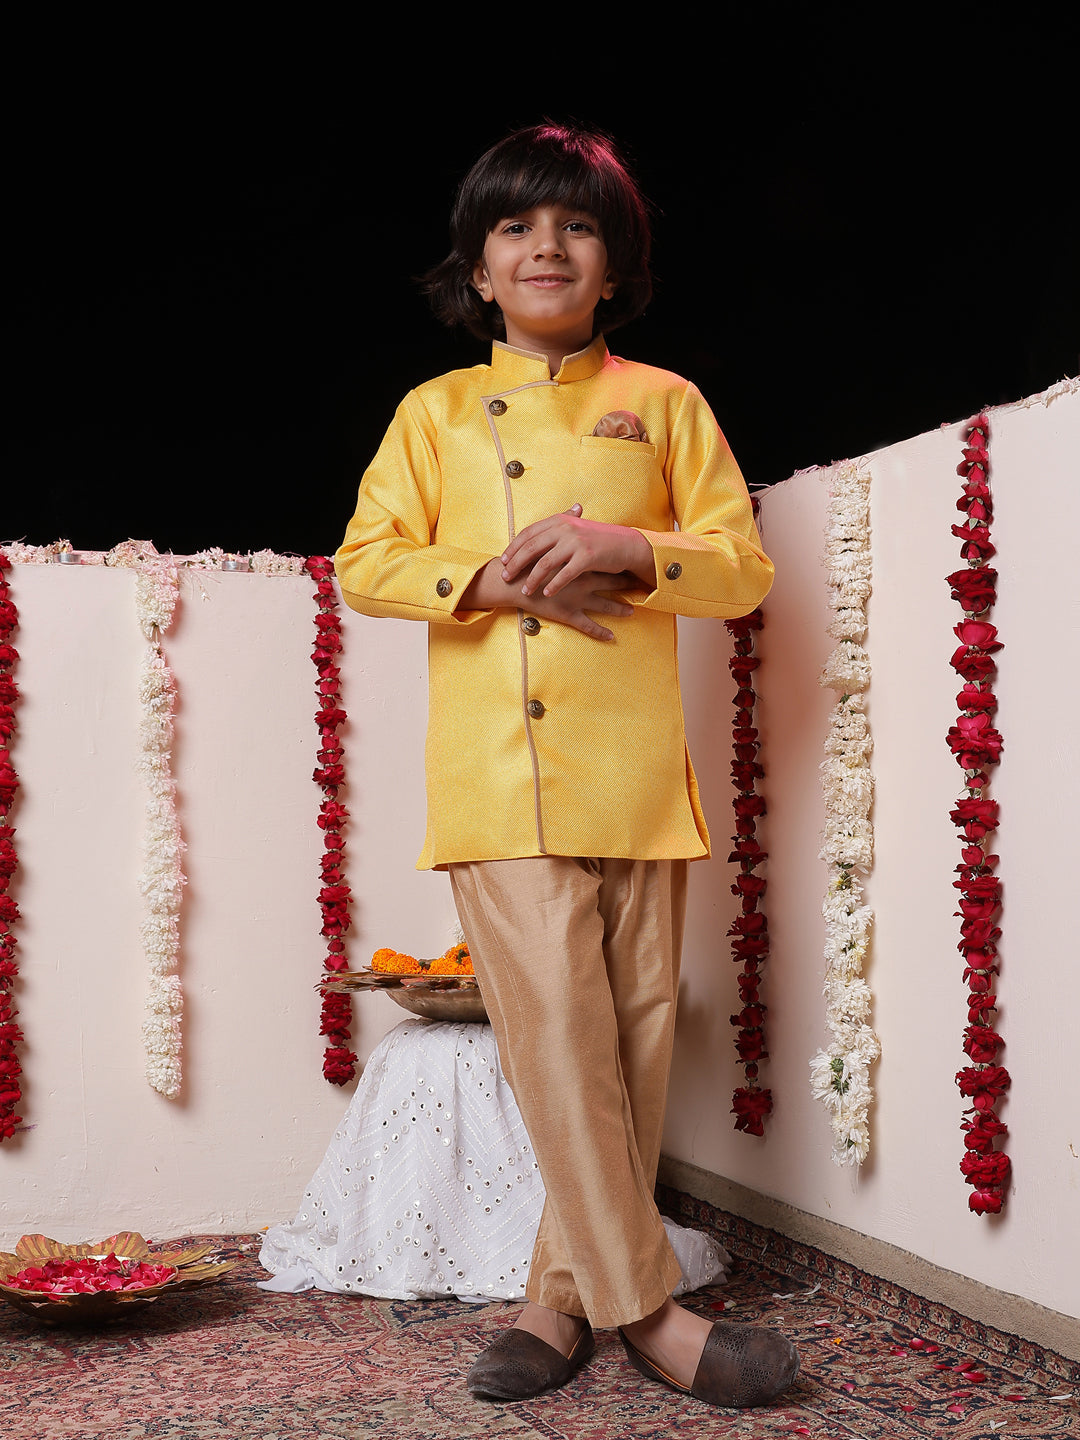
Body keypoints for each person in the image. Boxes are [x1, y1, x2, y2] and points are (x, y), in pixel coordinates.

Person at [334, 123, 798, 1410]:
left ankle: (555, 1302)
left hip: (640, 780)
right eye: (515, 227)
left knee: (626, 1060)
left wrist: (629, 549)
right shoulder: (432, 414)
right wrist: (486, 577)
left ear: (615, 265)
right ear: (479, 269)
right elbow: (365, 562)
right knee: (560, 1046)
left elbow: (741, 570)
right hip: (500, 778)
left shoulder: (667, 405)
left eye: (577, 227)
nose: (547, 247)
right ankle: (652, 1317)